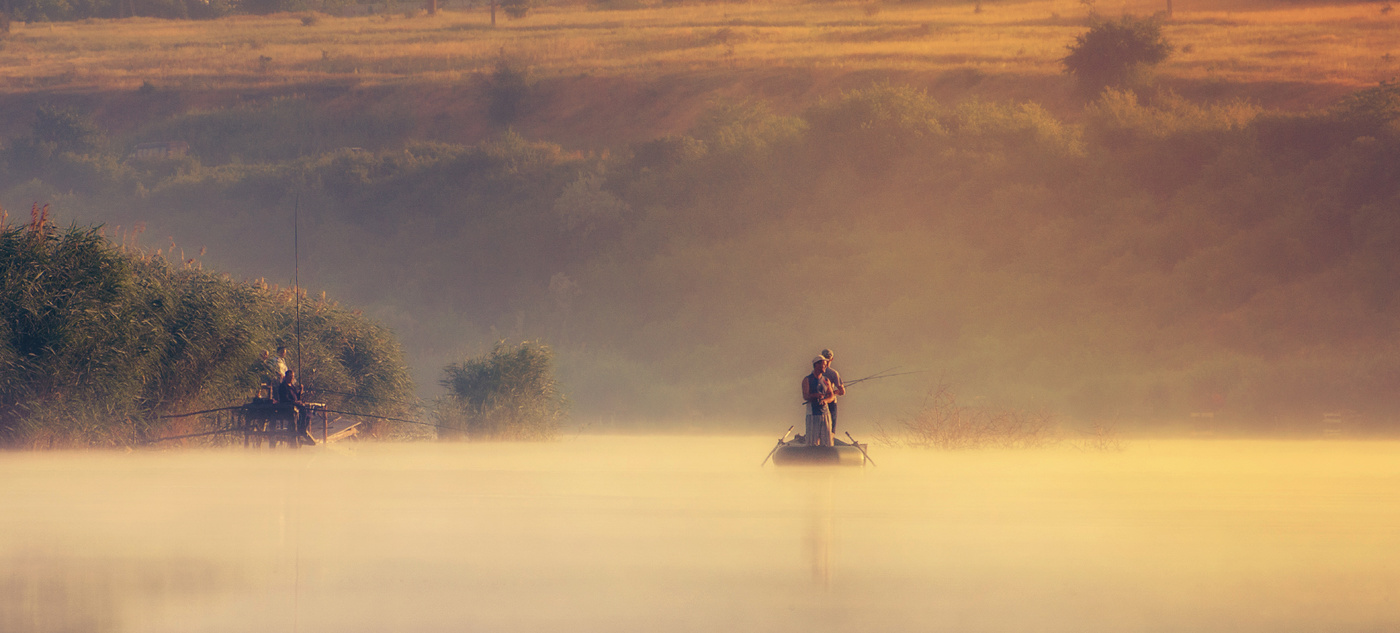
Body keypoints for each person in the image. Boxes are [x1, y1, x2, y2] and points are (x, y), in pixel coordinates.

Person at [801, 356, 835, 447]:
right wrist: (815, 395)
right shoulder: (807, 380)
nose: (825, 367)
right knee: (812, 442)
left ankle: (826, 458)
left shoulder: (826, 380)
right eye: (823, 365)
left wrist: (825, 400)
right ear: (816, 365)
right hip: (812, 414)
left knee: (827, 442)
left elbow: (831, 396)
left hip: (825, 414)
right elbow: (805, 396)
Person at [276, 370, 315, 445]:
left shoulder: (292, 386)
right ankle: (298, 433)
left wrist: (300, 390)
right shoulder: (283, 386)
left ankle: (302, 428)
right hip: (287, 408)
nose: (291, 378)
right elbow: (285, 399)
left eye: (292, 377)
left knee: (308, 414)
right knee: (299, 413)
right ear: (286, 377)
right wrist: (294, 402)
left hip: (296, 406)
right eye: (290, 377)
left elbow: (297, 397)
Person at [819, 348, 846, 434]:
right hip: (831, 403)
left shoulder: (816, 371)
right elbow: (842, 392)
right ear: (832, 359)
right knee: (831, 428)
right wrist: (834, 392)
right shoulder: (833, 373)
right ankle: (830, 441)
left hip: (818, 403)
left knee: (819, 427)